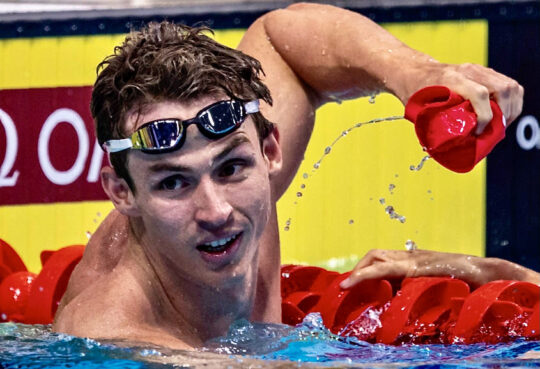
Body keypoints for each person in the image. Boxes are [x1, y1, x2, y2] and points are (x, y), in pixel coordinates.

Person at [53, 3, 539, 349]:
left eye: (231, 168)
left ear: (270, 150)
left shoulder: (243, 177)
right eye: (173, 183)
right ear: (122, 192)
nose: (217, 211)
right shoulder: (115, 336)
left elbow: (279, 36)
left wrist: (419, 75)